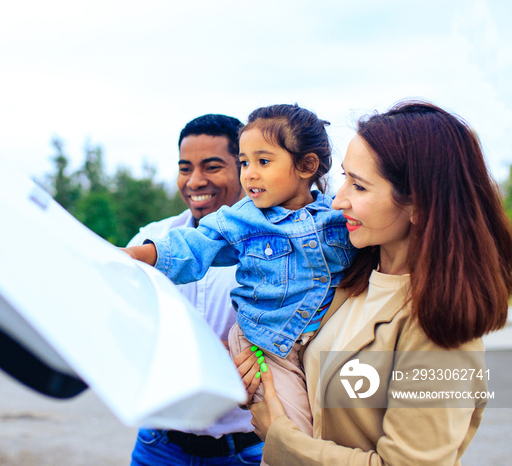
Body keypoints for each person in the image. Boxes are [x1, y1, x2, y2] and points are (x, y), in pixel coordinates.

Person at [238, 100, 512, 465]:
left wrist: (280, 437)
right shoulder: (346, 279)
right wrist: (263, 379)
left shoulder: (439, 329)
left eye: (360, 187)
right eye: (345, 179)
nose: (338, 201)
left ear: (419, 204)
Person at [125, 104, 356, 436]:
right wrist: (134, 254)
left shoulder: (336, 217)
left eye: (262, 162)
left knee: (339, 431)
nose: (250, 173)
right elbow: (190, 247)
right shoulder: (239, 222)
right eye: (245, 163)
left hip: (320, 344)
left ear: (307, 165)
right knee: (292, 435)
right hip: (267, 349)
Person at [128, 114, 264, 465]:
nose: (195, 181)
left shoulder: (275, 251)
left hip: (247, 450)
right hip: (158, 447)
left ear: (244, 168)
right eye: (185, 168)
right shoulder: (151, 240)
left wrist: (250, 358)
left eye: (212, 166)